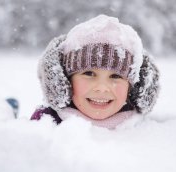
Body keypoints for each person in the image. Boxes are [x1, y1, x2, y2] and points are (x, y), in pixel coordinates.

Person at [31, 14, 160, 129]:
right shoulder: (46, 122)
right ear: (65, 81)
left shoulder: (142, 128)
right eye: (89, 73)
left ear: (132, 87)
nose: (102, 88)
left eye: (115, 76)